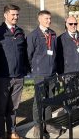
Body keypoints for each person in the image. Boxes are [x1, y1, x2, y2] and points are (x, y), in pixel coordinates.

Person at [0, 4, 28, 139]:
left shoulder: (20, 31)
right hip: (3, 78)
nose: (15, 17)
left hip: (18, 77)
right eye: (13, 14)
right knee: (1, 109)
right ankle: (0, 135)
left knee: (13, 107)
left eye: (17, 14)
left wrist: (24, 70)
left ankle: (12, 132)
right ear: (5, 15)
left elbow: (24, 53)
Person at [27, 10, 61, 138]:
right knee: (39, 101)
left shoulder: (52, 34)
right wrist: (35, 69)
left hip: (51, 73)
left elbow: (55, 52)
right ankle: (38, 126)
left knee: (49, 99)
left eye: (50, 18)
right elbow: (28, 55)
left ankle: (48, 123)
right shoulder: (33, 35)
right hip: (40, 74)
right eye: (46, 19)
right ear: (39, 19)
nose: (49, 21)